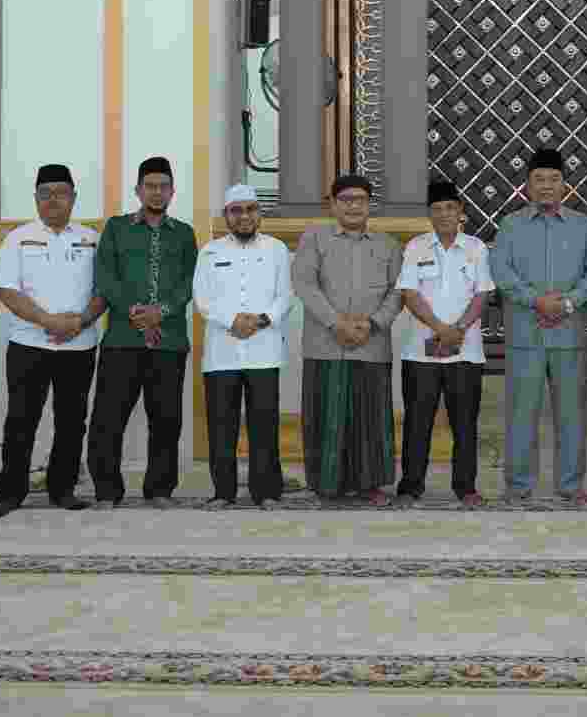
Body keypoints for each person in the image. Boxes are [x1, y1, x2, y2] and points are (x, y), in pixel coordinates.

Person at [0, 164, 106, 517]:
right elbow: (7, 290)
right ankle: (11, 492)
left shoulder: (91, 238)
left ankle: (62, 489)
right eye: (46, 193)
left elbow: (103, 291)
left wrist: (79, 321)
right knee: (21, 420)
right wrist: (48, 320)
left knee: (71, 421)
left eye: (61, 193)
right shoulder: (17, 238)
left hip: (79, 344)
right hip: (28, 344)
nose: (54, 200)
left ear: (73, 198)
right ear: (36, 198)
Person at [491, 147, 587, 504]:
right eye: (538, 179)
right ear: (527, 185)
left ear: (564, 185)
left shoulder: (582, 224)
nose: (545, 186)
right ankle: (518, 485)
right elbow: (501, 272)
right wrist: (535, 300)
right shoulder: (510, 225)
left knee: (572, 415)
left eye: (553, 179)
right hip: (525, 333)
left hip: (569, 334)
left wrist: (567, 302)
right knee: (521, 413)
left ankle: (571, 485)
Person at [89, 157, 198, 510]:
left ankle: (160, 489)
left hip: (170, 343)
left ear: (172, 191)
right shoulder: (117, 228)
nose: (157, 192)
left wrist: (161, 312)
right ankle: (107, 490)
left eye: (163, 186)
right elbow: (105, 277)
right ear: (138, 190)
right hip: (122, 338)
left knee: (166, 420)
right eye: (150, 185)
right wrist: (135, 312)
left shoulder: (183, 233)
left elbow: (189, 283)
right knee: (108, 418)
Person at [293, 174, 405, 505]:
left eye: (360, 199)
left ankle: (371, 484)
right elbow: (305, 284)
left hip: (371, 344)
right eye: (345, 199)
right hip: (324, 344)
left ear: (369, 205)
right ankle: (327, 484)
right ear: (332, 204)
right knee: (325, 416)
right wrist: (336, 323)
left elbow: (398, 292)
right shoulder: (314, 239)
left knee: (370, 419)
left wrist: (373, 324)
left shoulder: (389, 245)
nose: (353, 205)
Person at [394, 179, 495, 507]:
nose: (443, 214)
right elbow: (409, 294)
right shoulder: (415, 247)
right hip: (420, 352)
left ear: (460, 211)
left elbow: (483, 294)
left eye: (450, 208)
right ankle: (410, 487)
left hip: (466, 351)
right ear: (429, 213)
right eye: (436, 209)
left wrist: (459, 328)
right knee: (417, 423)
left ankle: (465, 487)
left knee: (464, 424)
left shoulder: (477, 248)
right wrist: (440, 327)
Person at [193, 184, 291, 509]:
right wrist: (233, 320)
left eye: (251, 209)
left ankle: (267, 492)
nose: (245, 216)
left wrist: (261, 321)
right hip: (222, 352)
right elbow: (202, 300)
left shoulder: (277, 249)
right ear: (226, 216)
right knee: (222, 427)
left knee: (264, 426)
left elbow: (285, 296)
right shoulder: (210, 252)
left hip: (264, 350)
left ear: (259, 214)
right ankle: (224, 492)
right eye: (237, 210)